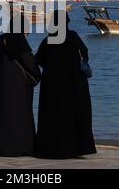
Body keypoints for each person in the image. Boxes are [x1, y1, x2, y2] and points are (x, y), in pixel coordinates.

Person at [35, 11, 97, 159]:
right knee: (74, 112)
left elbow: (38, 59)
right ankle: (77, 147)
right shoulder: (73, 36)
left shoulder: (48, 40)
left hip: (52, 84)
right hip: (74, 82)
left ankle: (51, 147)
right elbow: (85, 52)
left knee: (54, 114)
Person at [0, 15, 41, 157]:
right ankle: (18, 146)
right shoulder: (18, 39)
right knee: (18, 116)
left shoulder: (3, 39)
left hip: (1, 86)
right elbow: (28, 61)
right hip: (17, 86)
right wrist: (38, 74)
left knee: (2, 115)